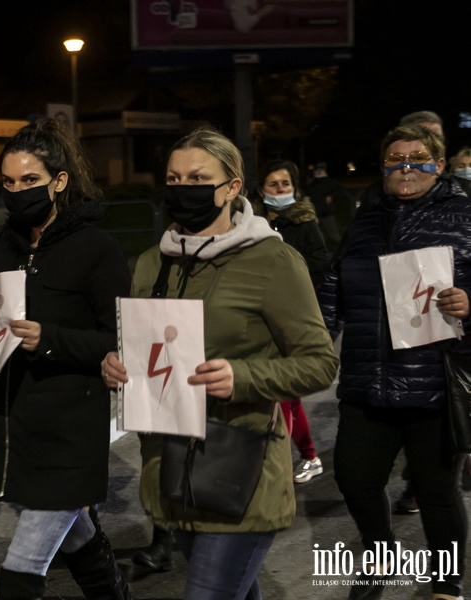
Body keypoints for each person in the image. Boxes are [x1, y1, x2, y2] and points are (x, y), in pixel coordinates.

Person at [102, 128, 338, 600]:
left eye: (197, 177)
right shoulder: (152, 262)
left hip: (240, 466)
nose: (182, 187)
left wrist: (242, 377)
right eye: (173, 177)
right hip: (171, 465)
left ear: (232, 187)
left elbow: (320, 363)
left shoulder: (273, 260)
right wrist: (117, 363)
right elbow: (145, 348)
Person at [0, 119, 132, 599]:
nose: (17, 191)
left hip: (69, 430)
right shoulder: (4, 244)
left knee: (21, 570)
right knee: (76, 534)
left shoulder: (98, 250)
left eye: (29, 181)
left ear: (60, 181)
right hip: (14, 422)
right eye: (8, 182)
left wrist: (49, 339)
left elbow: (117, 339)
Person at [318, 124, 470, 600]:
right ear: (383, 167)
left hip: (435, 383)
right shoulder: (365, 217)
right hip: (367, 379)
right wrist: (317, 333)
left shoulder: (465, 213)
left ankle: (447, 583)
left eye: (418, 158)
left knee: (436, 490)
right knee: (354, 478)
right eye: (395, 159)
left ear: (439, 165)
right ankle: (380, 557)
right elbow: (334, 282)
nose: (407, 167)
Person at [254, 159, 330, 484]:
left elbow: (321, 266)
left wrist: (292, 287)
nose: (280, 190)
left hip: (291, 319)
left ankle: (283, 464)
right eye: (274, 185)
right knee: (281, 393)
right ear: (261, 190)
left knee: (283, 392)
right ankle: (307, 456)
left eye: (286, 185)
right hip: (258, 319)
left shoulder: (305, 224)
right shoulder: (252, 224)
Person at [305, 161, 350, 250]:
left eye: (320, 169)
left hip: (327, 213)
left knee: (333, 234)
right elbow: (307, 195)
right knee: (317, 236)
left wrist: (332, 197)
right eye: (317, 170)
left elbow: (342, 192)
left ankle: (344, 249)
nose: (318, 172)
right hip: (315, 214)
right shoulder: (312, 184)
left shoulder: (330, 182)